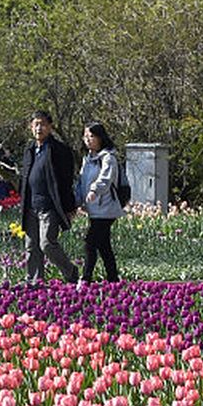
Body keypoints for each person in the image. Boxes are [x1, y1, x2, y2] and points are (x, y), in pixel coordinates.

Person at [19, 110, 79, 282]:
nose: (39, 128)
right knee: (31, 247)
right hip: (31, 205)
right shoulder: (30, 149)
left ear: (50, 127)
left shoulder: (59, 150)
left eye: (43, 124)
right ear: (31, 127)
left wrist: (69, 206)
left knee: (47, 244)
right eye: (36, 124)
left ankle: (70, 272)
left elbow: (66, 181)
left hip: (50, 206)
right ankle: (34, 282)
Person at [75, 121, 125, 284]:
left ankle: (85, 279)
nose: (88, 139)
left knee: (90, 243)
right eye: (86, 136)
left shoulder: (108, 157)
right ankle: (113, 279)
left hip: (107, 207)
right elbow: (82, 182)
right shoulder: (88, 159)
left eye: (92, 136)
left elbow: (106, 178)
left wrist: (94, 191)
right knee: (104, 246)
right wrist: (78, 200)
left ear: (100, 137)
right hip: (94, 209)